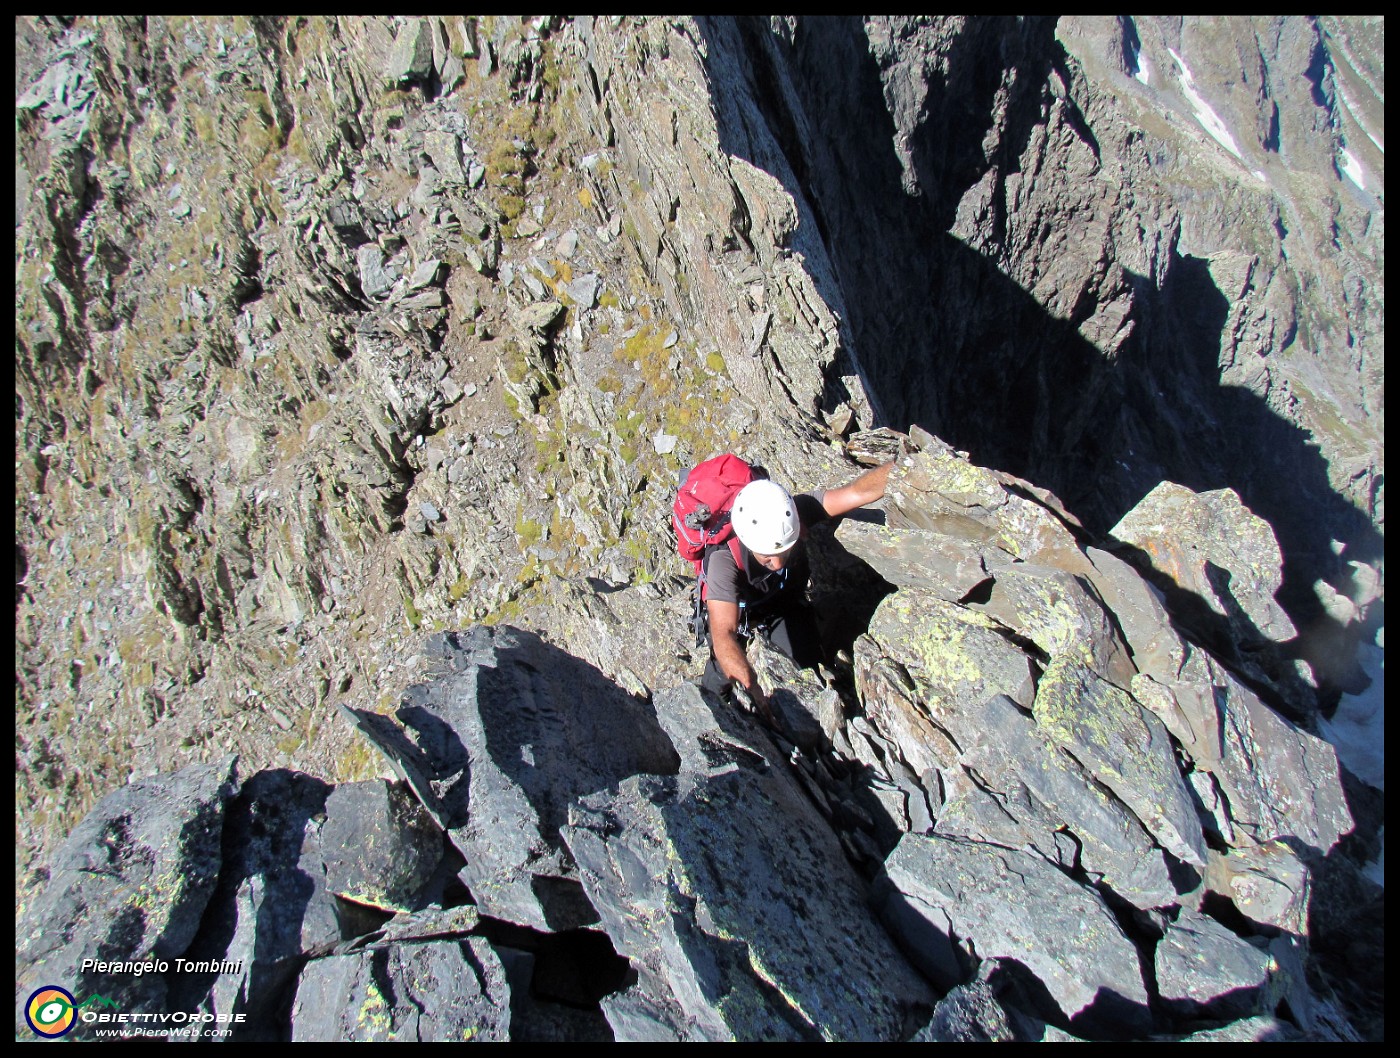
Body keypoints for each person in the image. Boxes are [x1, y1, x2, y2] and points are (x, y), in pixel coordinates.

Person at [699, 460, 893, 723]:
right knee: (721, 668)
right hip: (743, 612)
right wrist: (751, 685)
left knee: (806, 675)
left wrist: (903, 466)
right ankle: (709, 711)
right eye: (767, 557)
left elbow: (857, 492)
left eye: (785, 550)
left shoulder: (794, 513)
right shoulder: (723, 560)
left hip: (785, 605)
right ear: (747, 540)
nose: (778, 563)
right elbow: (724, 634)